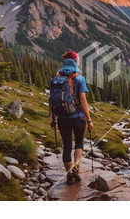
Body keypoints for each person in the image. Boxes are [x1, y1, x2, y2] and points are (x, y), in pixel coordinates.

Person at [49, 50, 94, 185]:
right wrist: (89, 120)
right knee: (79, 143)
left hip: (62, 118)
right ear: (75, 62)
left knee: (67, 146)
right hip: (77, 117)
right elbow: (83, 102)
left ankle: (69, 175)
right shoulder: (79, 77)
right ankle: (76, 168)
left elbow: (52, 100)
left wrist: (52, 118)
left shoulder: (57, 77)